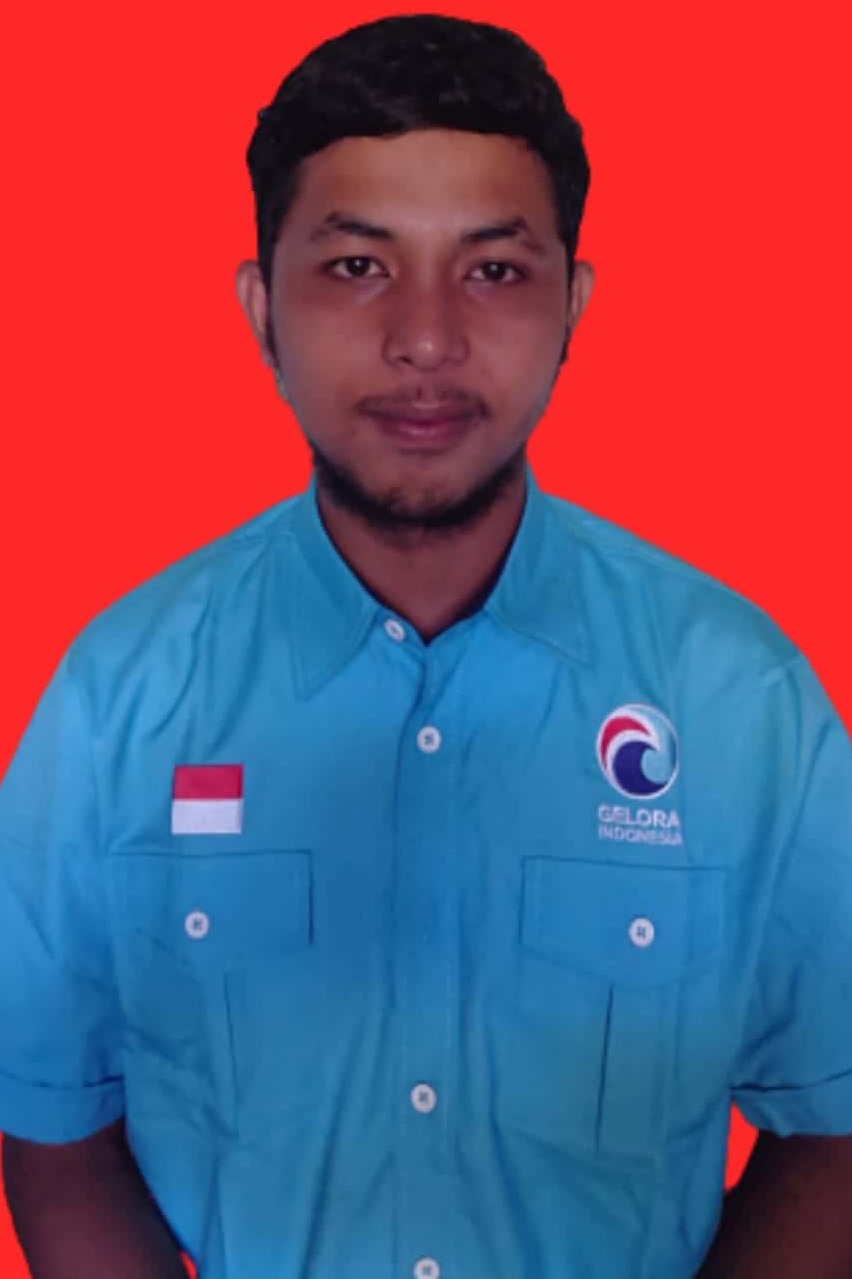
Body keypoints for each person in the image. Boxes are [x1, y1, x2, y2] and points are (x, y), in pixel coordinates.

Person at [2, 13, 852, 1279]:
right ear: (260, 309)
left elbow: (832, 1128)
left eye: (494, 269)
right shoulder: (117, 699)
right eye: (357, 265)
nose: (427, 340)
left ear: (574, 305)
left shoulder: (742, 699)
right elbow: (54, 1123)